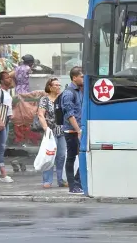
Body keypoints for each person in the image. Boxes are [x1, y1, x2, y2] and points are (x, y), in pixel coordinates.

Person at [38, 77, 67, 189]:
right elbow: (41, 114)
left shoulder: (62, 98)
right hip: (50, 131)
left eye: (59, 85)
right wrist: (46, 129)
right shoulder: (45, 99)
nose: (58, 87)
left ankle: (61, 180)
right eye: (55, 85)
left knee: (61, 156)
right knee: (49, 155)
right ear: (50, 87)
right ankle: (47, 180)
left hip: (62, 130)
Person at [61, 66, 84, 194]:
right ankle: (72, 185)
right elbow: (69, 114)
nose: (83, 79)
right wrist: (78, 130)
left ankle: (78, 182)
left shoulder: (80, 91)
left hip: (79, 129)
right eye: (81, 76)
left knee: (83, 157)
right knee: (71, 158)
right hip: (72, 131)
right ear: (74, 77)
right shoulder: (69, 93)